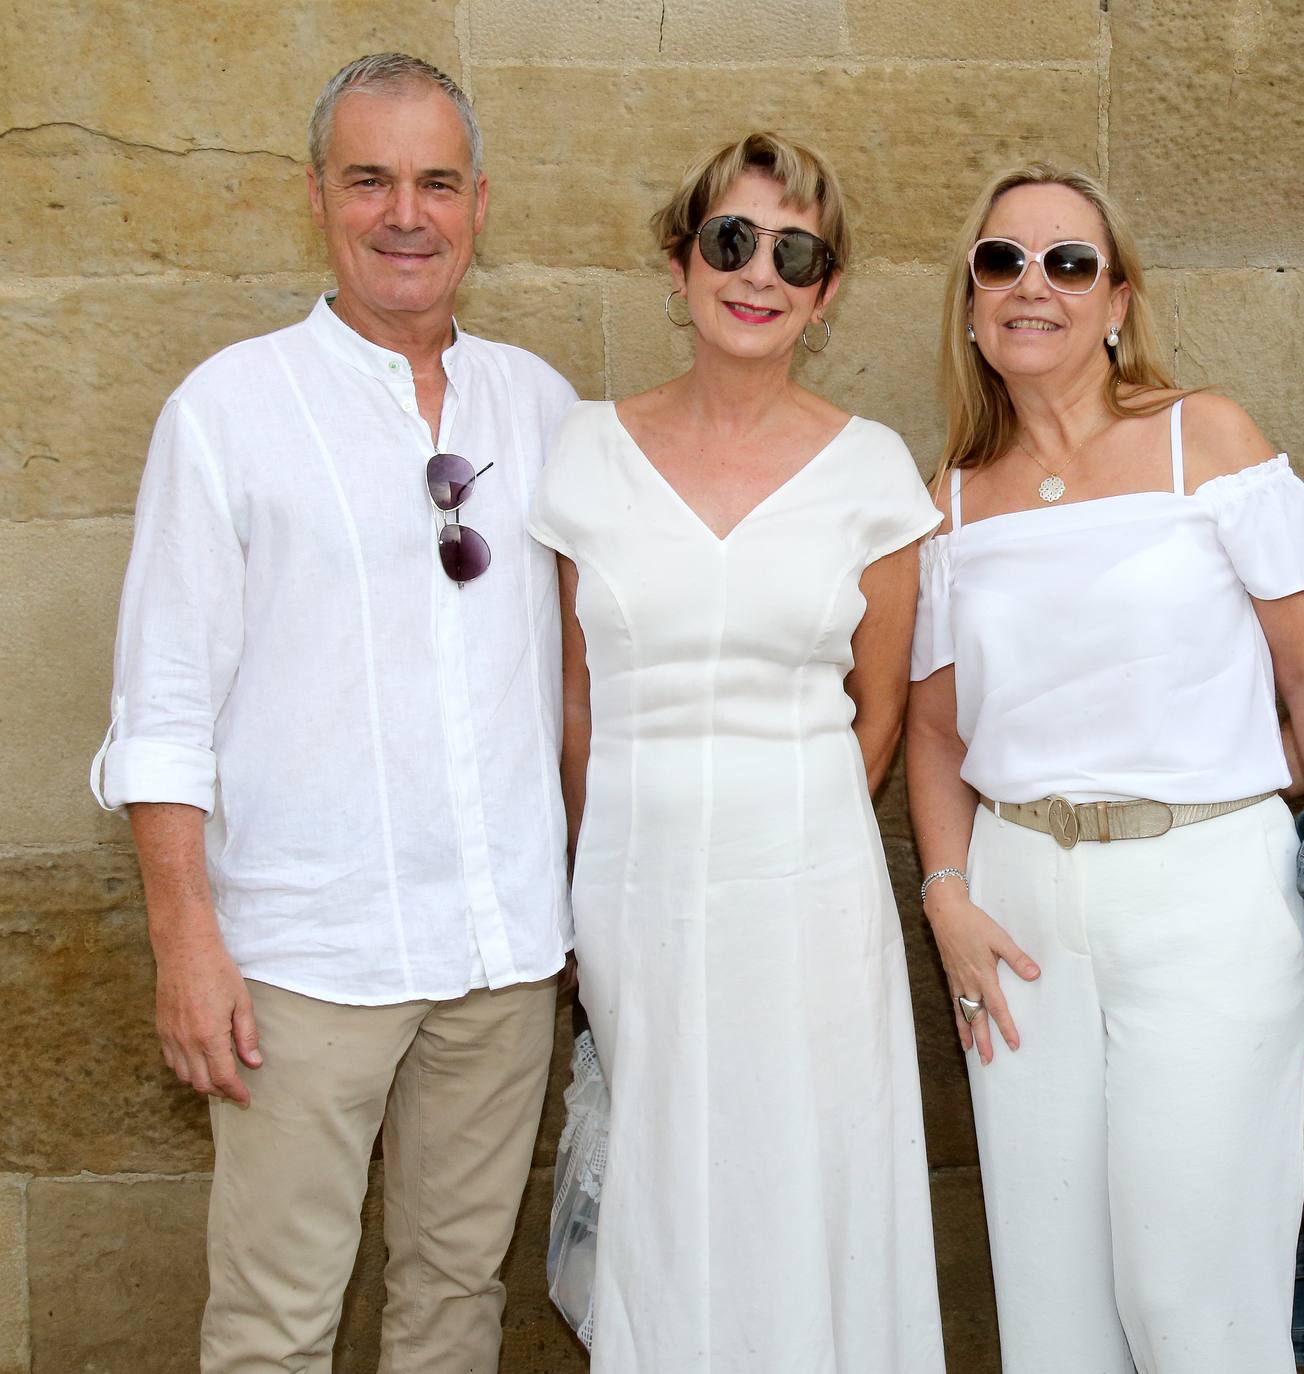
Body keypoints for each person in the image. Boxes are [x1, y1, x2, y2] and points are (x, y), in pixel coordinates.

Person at [87, 53, 577, 1373]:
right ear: (317, 196)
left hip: (503, 955)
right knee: (273, 1328)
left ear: (479, 202)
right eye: (369, 180)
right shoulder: (228, 412)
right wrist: (185, 935)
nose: (402, 214)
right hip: (305, 965)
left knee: (454, 1299)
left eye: (432, 182)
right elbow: (166, 698)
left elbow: (594, 662)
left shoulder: (538, 408)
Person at [904, 163, 1304, 1374]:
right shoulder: (949, 500)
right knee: (1052, 1301)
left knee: (1191, 1291)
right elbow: (938, 730)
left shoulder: (1203, 442)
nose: (1032, 287)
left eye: (1068, 262)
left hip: (1207, 880)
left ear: (1118, 300)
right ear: (970, 303)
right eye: (1001, 262)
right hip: (1017, 909)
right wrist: (945, 894)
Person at [524, 132, 945, 1373]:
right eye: (732, 240)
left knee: (811, 1175)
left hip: (809, 891)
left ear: (823, 295)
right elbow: (575, 710)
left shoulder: (871, 470)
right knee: (667, 1193)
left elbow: (880, 713)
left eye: (796, 253)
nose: (760, 272)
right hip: (635, 889)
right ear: (678, 263)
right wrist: (591, 882)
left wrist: (786, 821)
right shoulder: (583, 454)